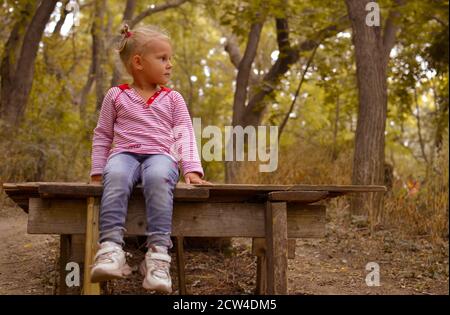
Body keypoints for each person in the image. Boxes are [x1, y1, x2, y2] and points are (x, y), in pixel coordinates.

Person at [88, 24, 208, 293]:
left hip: (160, 156)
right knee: (115, 175)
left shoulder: (173, 99)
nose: (170, 65)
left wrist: (192, 169)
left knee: (158, 177)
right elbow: (103, 135)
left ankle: (157, 256)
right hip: (124, 154)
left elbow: (184, 135)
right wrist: (98, 170)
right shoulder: (116, 95)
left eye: (170, 58)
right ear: (138, 62)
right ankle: (110, 249)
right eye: (163, 58)